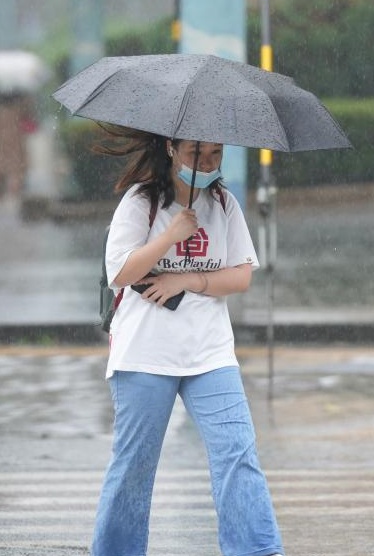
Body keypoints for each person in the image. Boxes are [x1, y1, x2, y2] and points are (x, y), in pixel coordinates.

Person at [91, 128, 284, 556]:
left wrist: (187, 279)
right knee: (134, 470)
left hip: (210, 352)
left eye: (216, 154)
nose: (208, 163)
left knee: (237, 454)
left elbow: (241, 275)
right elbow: (120, 272)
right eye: (198, 153)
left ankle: (257, 550)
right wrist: (168, 236)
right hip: (146, 353)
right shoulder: (141, 202)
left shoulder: (223, 204)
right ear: (171, 148)